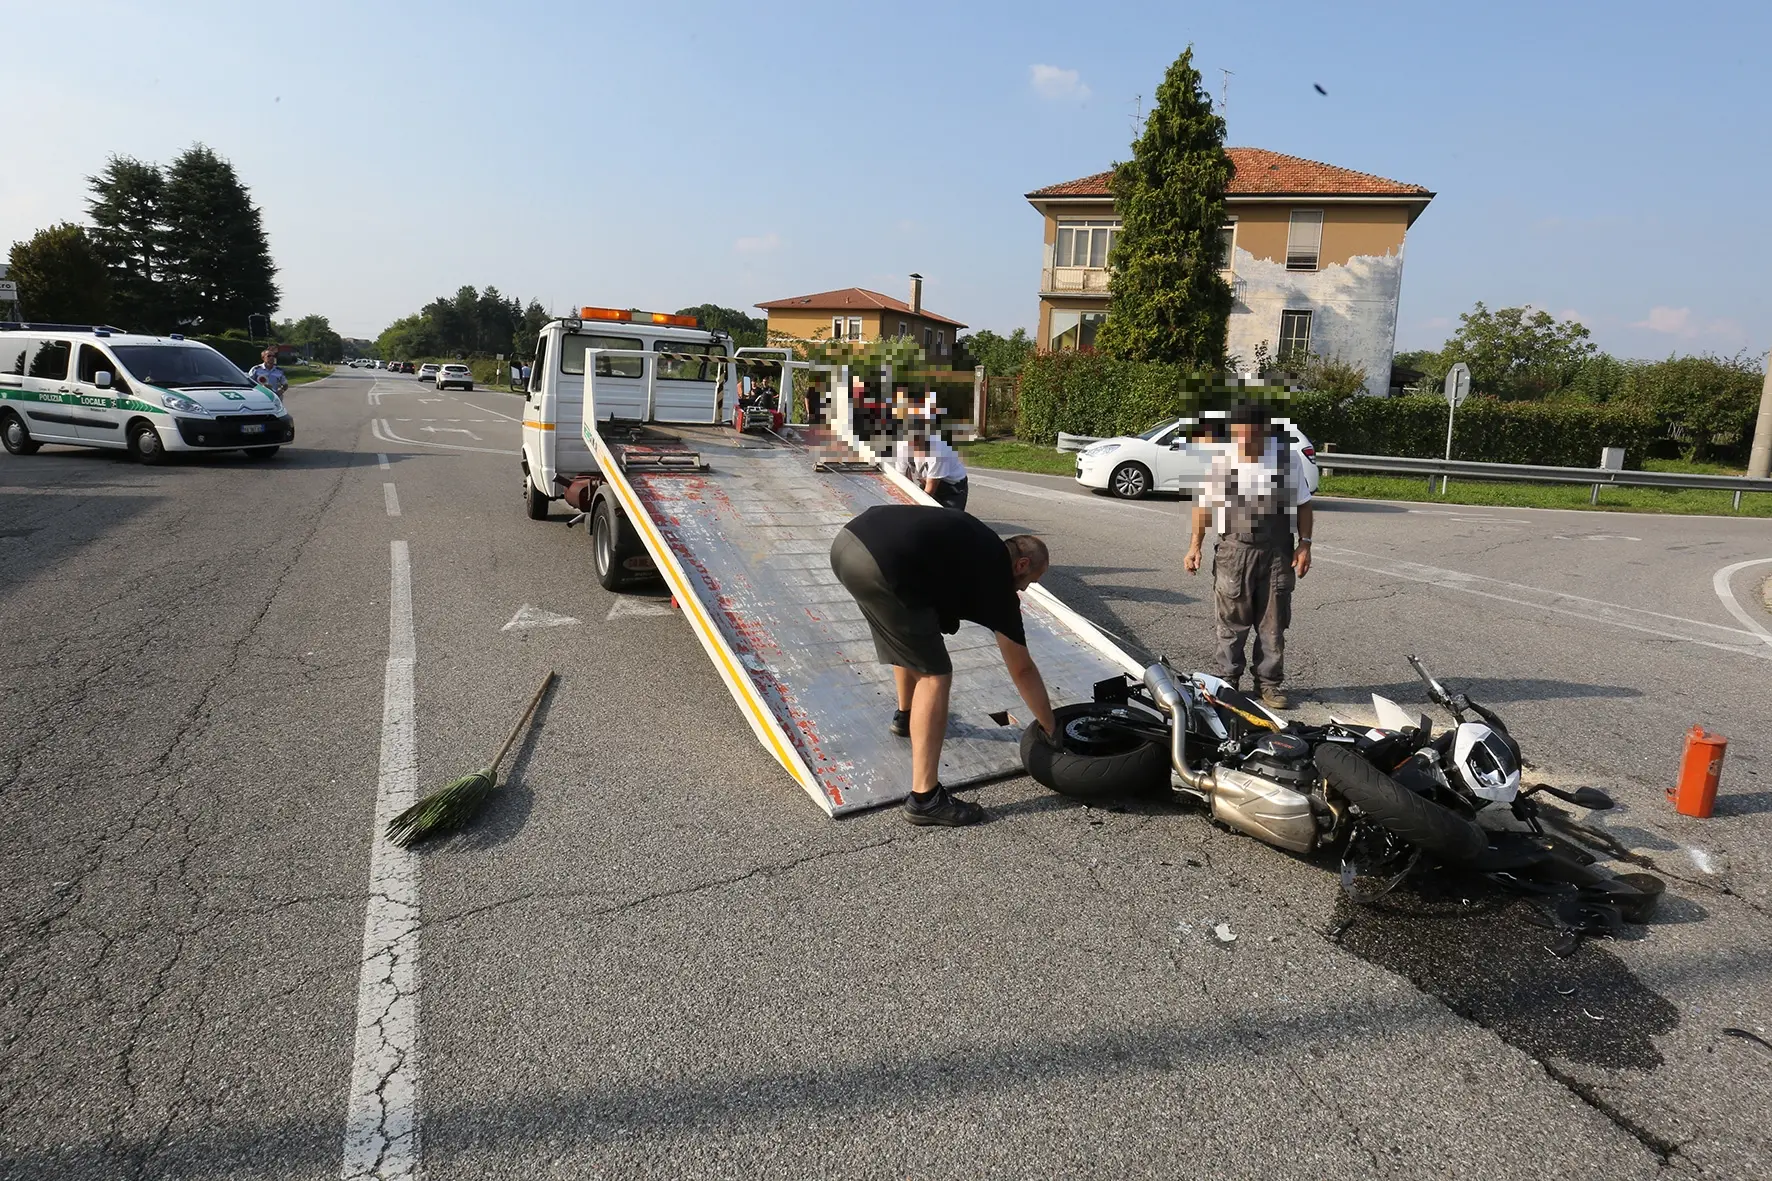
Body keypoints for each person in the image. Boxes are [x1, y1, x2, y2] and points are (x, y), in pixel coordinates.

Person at [830, 505, 1059, 826]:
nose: (1024, 589)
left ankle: (906, 716)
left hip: (846, 546)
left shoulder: (977, 543)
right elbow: (1022, 669)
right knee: (935, 675)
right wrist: (1051, 728)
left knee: (911, 640)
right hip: (884, 563)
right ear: (1021, 564)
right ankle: (925, 799)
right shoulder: (995, 576)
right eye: (1030, 581)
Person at [1182, 402, 1314, 709]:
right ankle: (1227, 681)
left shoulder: (1286, 460)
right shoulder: (1222, 461)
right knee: (1230, 623)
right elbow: (1204, 507)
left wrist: (1305, 544)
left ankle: (1269, 684)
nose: (1243, 443)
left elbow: (1304, 504)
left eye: (1250, 436)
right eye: (1238, 436)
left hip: (1277, 552)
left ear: (1266, 432)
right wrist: (1195, 546)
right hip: (1234, 551)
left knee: (1273, 624)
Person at [893, 422, 970, 510]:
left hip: (952, 487)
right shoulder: (901, 447)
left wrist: (917, 509)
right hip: (926, 481)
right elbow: (903, 480)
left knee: (950, 520)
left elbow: (930, 489)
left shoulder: (939, 450)